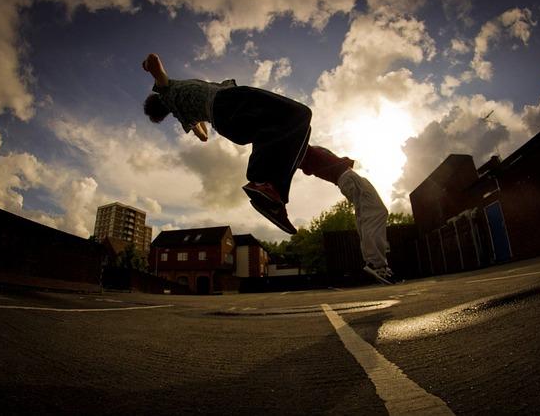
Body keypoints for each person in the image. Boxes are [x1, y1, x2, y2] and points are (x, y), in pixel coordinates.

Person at [142, 53, 396, 284]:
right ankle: (264, 182)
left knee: (296, 137)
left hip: (231, 123)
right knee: (299, 114)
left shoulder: (180, 113)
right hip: (230, 102)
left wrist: (197, 123)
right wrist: (151, 69)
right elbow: (155, 63)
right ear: (159, 99)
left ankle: (272, 194)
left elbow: (203, 136)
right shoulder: (168, 90)